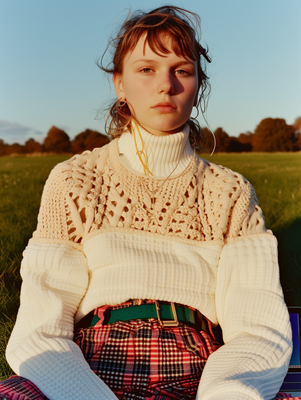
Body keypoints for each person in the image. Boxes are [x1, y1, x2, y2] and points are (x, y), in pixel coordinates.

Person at [0, 6, 294, 400]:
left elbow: (257, 328)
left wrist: (228, 393)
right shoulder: (75, 180)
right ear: (120, 84)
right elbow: (41, 327)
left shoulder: (230, 191)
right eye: (146, 69)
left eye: (182, 71)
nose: (166, 85)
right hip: (88, 364)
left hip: (202, 369)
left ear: (197, 85)